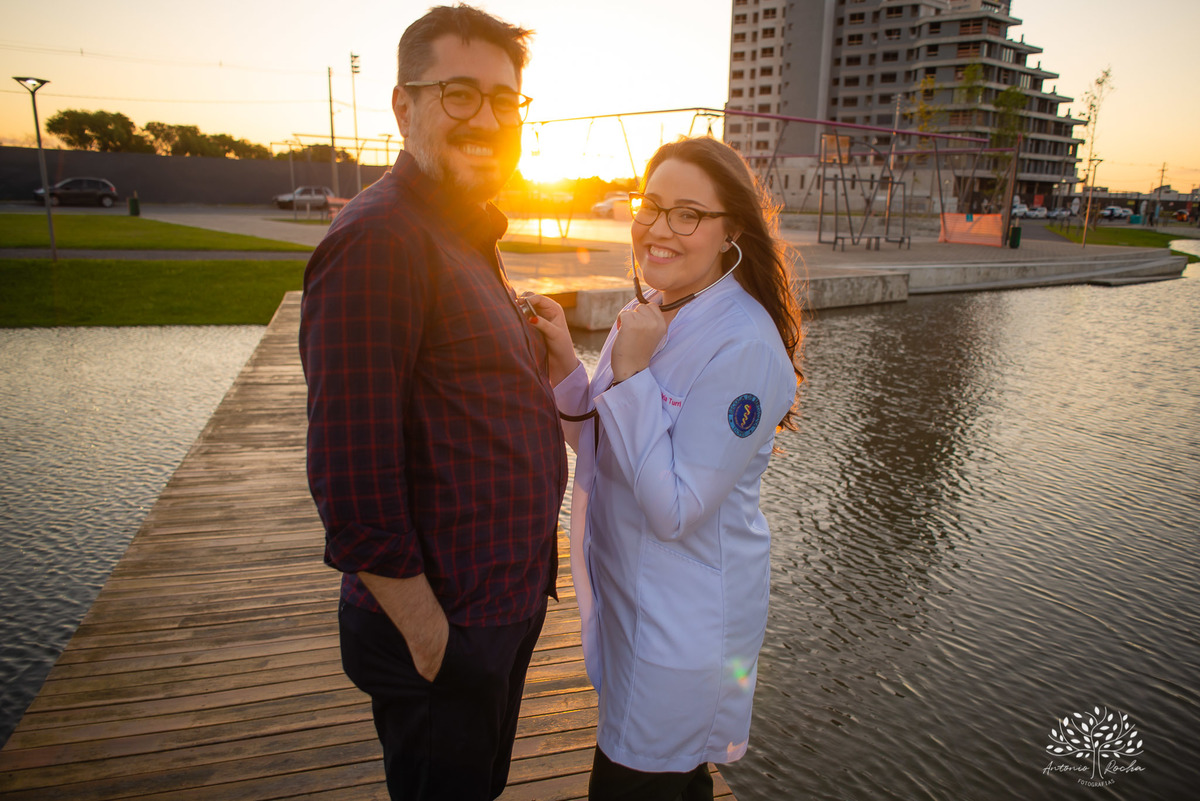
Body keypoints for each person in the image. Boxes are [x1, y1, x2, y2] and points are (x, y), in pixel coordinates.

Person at [298, 6, 567, 800]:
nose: (487, 118)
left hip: (498, 610)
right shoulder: (382, 240)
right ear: (403, 106)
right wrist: (433, 641)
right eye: (459, 93)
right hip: (448, 632)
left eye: (505, 99)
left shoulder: (459, 232)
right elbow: (351, 479)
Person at [526, 137, 803, 800]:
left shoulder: (745, 345)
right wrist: (566, 363)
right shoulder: (650, 310)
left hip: (683, 628)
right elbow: (602, 444)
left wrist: (634, 374)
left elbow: (675, 509)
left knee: (641, 784)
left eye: (687, 214)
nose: (658, 226)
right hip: (630, 603)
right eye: (650, 205)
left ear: (730, 228)